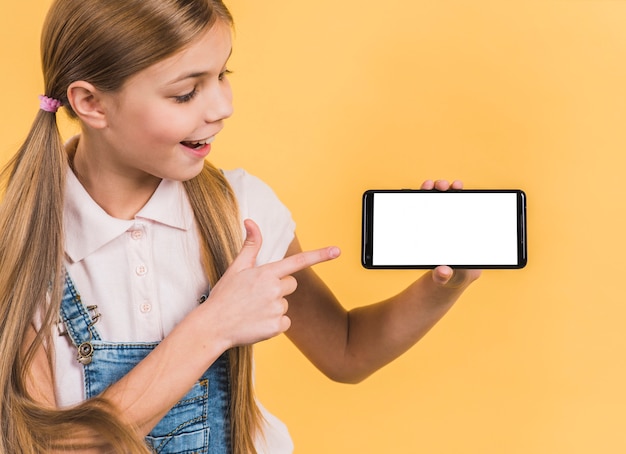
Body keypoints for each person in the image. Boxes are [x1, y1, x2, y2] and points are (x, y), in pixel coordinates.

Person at [0, 0, 481, 452]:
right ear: (91, 103)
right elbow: (53, 447)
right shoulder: (21, 238)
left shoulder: (240, 210)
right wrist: (213, 327)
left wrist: (444, 285)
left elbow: (347, 352)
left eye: (222, 75)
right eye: (186, 92)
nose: (221, 107)